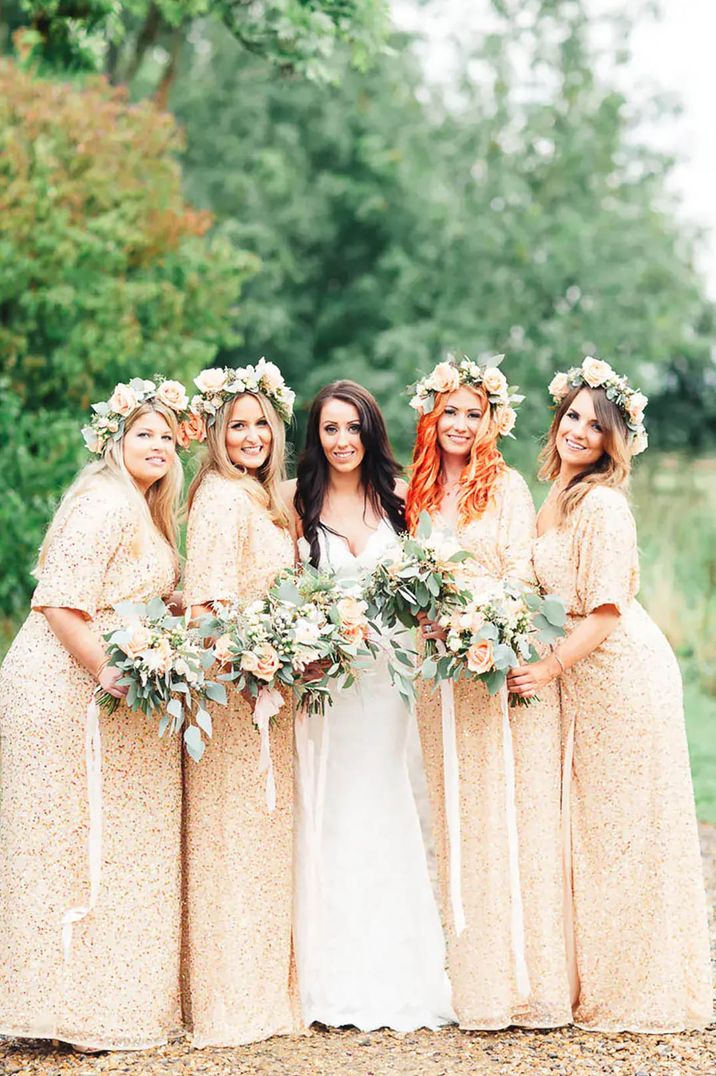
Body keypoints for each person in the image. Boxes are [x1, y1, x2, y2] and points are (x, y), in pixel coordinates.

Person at [508, 357, 713, 1032]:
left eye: (595, 427)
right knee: (595, 833)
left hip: (621, 677)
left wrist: (546, 669)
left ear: (611, 442)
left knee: (626, 831)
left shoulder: (603, 506)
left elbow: (604, 612)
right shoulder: (554, 495)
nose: (577, 432)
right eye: (572, 417)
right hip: (583, 683)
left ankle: (641, 990)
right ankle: (591, 976)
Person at [0, 376, 189, 1051]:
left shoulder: (142, 507)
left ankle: (97, 1001)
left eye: (168, 436)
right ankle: (58, 1008)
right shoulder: (103, 503)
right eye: (146, 433)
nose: (160, 446)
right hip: (61, 687)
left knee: (103, 843)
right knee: (64, 844)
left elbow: (119, 594)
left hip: (97, 686)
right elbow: (57, 601)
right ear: (116, 440)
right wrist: (108, 669)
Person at [407, 354, 571, 1029]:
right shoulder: (412, 491)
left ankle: (516, 983)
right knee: (445, 817)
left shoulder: (504, 489)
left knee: (497, 814)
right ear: (431, 415)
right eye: (451, 411)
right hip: (429, 675)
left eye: (475, 414)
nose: (462, 424)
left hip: (486, 666)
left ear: (491, 421)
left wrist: (473, 616)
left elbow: (522, 575)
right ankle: (459, 978)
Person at [287, 380, 454, 1032]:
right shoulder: (297, 505)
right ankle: (326, 976)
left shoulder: (401, 504)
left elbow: (427, 593)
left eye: (353, 428)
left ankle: (395, 971)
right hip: (327, 682)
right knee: (328, 805)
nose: (342, 440)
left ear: (370, 433)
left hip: (387, 684)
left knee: (381, 800)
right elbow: (284, 594)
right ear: (316, 437)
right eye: (330, 429)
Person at [181, 360, 302, 1047]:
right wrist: (253, 666)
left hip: (270, 695)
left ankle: (264, 996)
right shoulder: (222, 498)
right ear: (217, 434)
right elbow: (207, 610)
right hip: (233, 701)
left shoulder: (263, 499)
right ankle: (231, 1006)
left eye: (261, 424)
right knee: (233, 843)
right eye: (237, 425)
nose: (251, 435)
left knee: (262, 845)